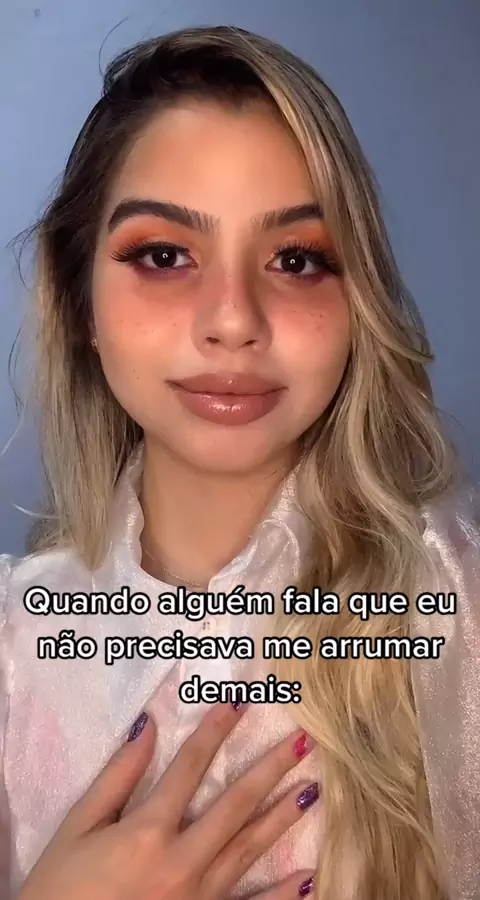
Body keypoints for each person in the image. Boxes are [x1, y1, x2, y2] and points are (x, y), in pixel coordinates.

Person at [0, 22, 479, 900]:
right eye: (164, 256)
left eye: (296, 259)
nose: (232, 320)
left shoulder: (458, 609)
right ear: (79, 301)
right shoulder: (10, 651)